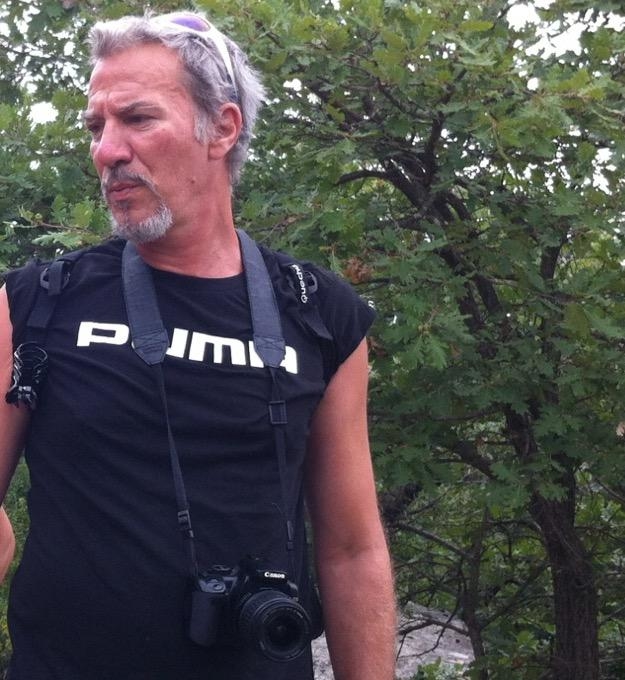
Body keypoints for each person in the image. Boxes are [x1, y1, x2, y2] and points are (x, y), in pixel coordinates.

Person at [0, 10, 396, 680]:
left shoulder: (320, 314)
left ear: (222, 128)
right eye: (96, 127)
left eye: (137, 118)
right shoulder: (36, 302)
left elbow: (352, 551)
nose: (107, 150)